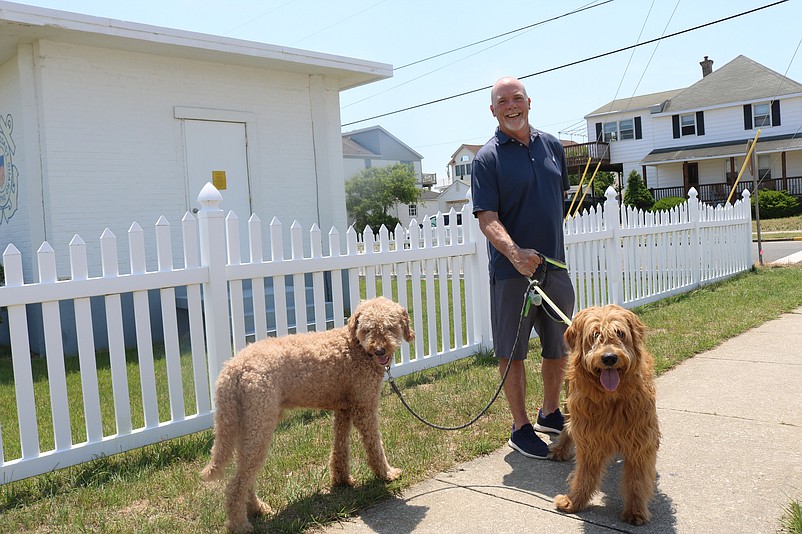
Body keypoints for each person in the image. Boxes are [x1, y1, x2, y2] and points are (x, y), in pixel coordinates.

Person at [470, 77, 575, 459]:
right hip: (512, 273)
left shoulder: (551, 147)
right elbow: (487, 218)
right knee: (512, 352)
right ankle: (520, 427)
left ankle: (549, 413)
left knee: (559, 345)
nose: (511, 106)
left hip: (555, 267)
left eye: (517, 98)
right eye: (503, 101)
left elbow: (554, 199)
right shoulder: (487, 159)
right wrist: (515, 253)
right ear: (493, 110)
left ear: (529, 102)